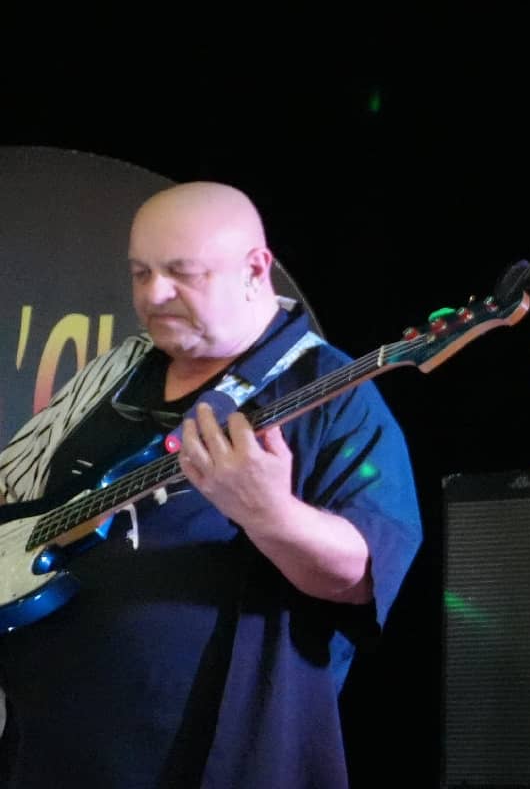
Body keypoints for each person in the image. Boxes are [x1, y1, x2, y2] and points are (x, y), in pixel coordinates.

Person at [0, 181, 423, 788]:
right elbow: (14, 491)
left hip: (215, 758)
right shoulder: (115, 370)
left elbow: (363, 576)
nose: (154, 294)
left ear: (256, 268)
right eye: (140, 273)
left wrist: (271, 513)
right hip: (50, 748)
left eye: (181, 273)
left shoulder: (332, 391)